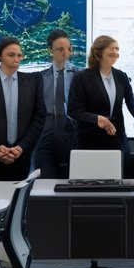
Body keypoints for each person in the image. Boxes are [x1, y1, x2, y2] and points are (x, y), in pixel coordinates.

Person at [68, 35, 134, 169]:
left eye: (117, 49)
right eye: (112, 49)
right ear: (99, 53)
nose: (116, 53)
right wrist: (97, 119)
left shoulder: (121, 76)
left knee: (122, 177)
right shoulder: (82, 78)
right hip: (90, 139)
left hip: (116, 137)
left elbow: (131, 102)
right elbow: (73, 110)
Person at [0, 36, 45, 181]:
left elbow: (39, 117)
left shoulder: (33, 82)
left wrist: (21, 147)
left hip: (21, 155)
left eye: (19, 55)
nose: (16, 58)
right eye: (11, 55)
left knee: (19, 200)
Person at [34, 29, 79, 179]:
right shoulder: (41, 78)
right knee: (44, 180)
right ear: (51, 51)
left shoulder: (81, 76)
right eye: (60, 49)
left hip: (72, 130)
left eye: (68, 49)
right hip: (47, 130)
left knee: (71, 179)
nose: (65, 53)